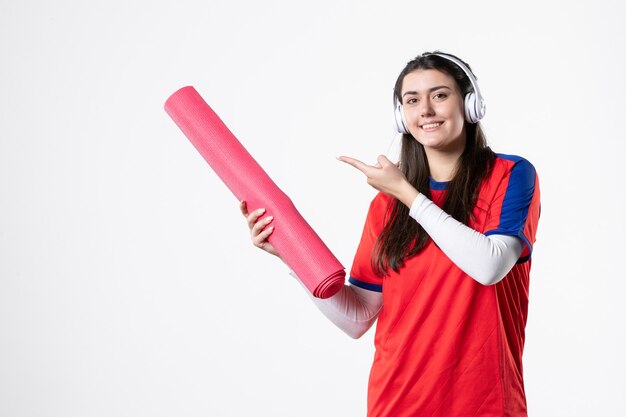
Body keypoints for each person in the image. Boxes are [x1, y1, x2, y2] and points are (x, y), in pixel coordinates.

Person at [240, 51, 540, 417]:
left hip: (485, 405)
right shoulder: (387, 205)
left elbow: (490, 265)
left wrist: (407, 194)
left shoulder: (510, 175)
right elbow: (357, 317)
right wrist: (290, 254)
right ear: (402, 116)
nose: (425, 110)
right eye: (412, 101)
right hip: (395, 404)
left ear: (470, 103)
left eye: (440, 95)